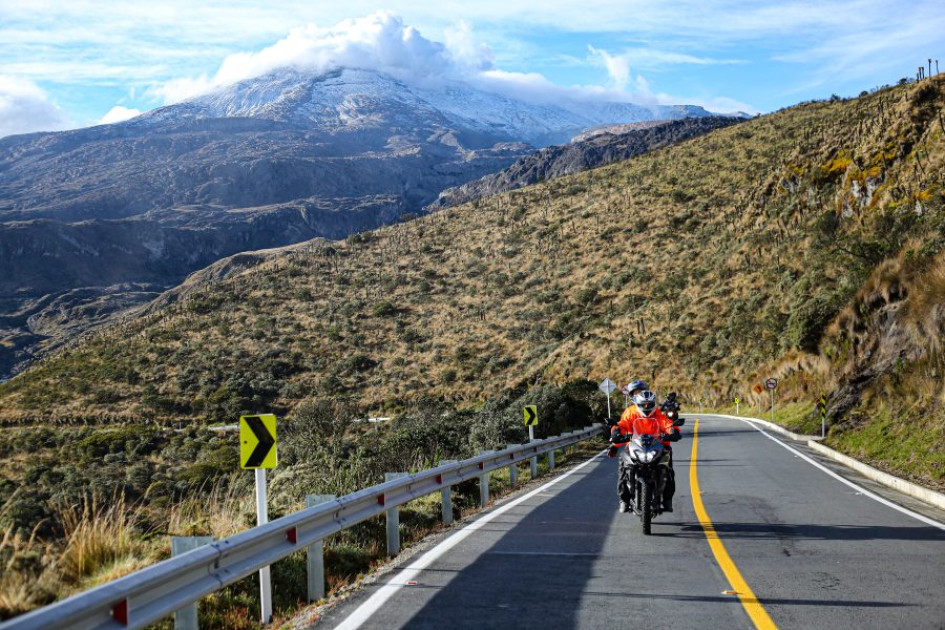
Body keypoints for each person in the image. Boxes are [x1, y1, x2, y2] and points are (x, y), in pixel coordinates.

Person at [609, 390, 681, 513]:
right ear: (638, 403)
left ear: (653, 404)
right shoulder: (631, 413)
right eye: (644, 404)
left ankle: (667, 500)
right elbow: (622, 424)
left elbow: (667, 424)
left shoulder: (658, 415)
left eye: (649, 404)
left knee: (669, 471)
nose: (647, 407)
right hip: (634, 446)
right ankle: (624, 500)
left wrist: (673, 432)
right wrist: (616, 435)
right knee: (623, 469)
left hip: (657, 446)